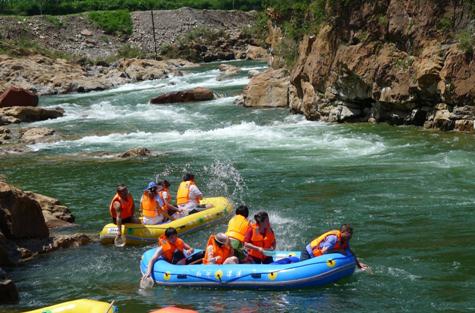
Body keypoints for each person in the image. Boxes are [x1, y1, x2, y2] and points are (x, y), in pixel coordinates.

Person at [300, 224, 368, 270]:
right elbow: (324, 251)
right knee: (302, 270)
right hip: (308, 253)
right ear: (341, 232)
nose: (349, 236)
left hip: (315, 257)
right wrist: (338, 251)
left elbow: (351, 252)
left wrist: (358, 264)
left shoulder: (345, 240)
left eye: (351, 234)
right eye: (348, 233)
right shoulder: (333, 238)